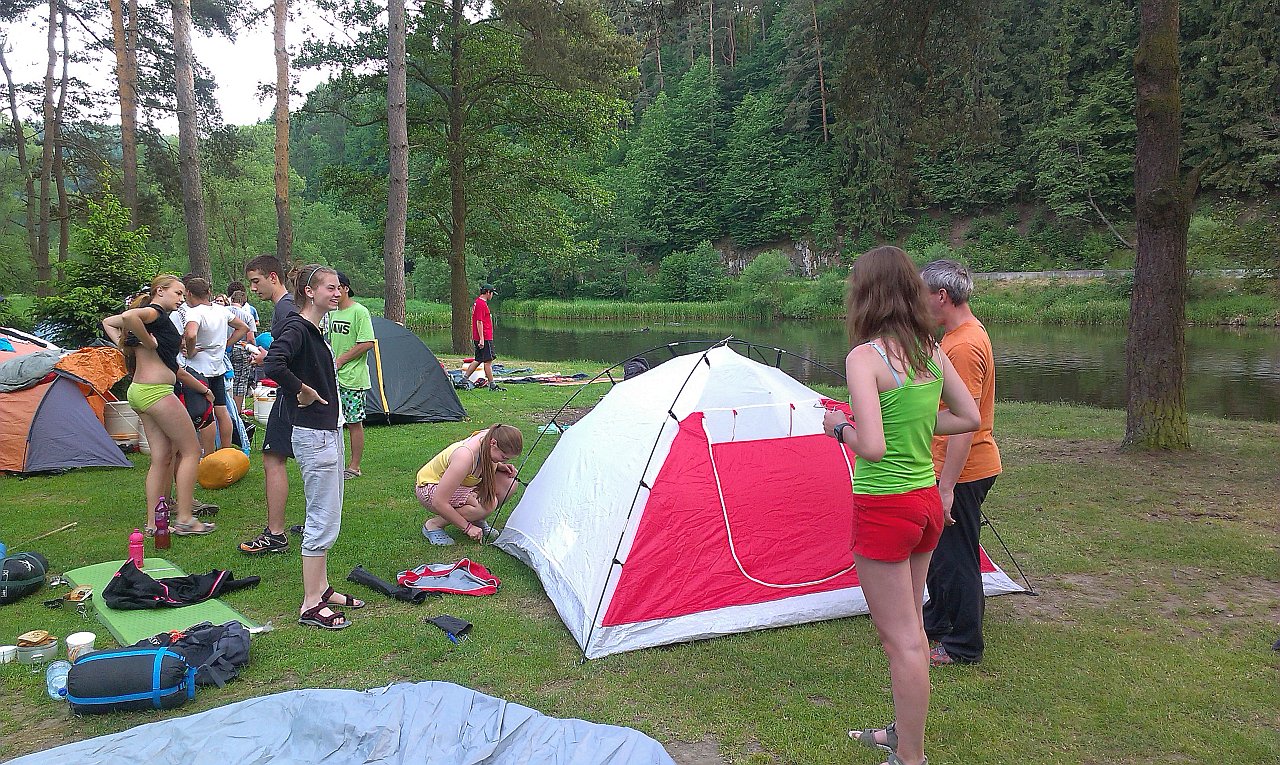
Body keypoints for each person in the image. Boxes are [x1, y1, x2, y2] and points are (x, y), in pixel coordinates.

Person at [820, 246, 979, 765]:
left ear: (866, 295)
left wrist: (838, 427)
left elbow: (871, 446)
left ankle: (911, 757)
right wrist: (918, 421)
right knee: (912, 629)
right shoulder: (930, 351)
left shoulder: (865, 358)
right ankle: (902, 734)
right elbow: (969, 417)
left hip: (885, 510)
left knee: (902, 641)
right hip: (925, 503)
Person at [264, 264, 364, 629]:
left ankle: (322, 588)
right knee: (321, 516)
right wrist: (302, 389)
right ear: (309, 291)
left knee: (330, 513)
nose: (338, 294)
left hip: (328, 430)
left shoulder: (314, 328)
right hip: (314, 434)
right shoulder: (297, 327)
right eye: (331, 288)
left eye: (339, 288)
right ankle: (310, 603)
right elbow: (274, 363)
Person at [919, 260, 1001, 667]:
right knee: (939, 552)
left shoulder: (963, 346)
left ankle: (964, 644)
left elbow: (965, 424)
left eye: (922, 296)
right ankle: (937, 618)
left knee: (957, 557)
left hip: (964, 469)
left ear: (941, 297)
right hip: (955, 466)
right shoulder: (958, 335)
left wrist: (947, 487)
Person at [102, 275, 217, 537]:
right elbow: (128, 316)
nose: (181, 299)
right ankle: (185, 519)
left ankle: (154, 523)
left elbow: (109, 322)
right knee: (191, 450)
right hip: (156, 392)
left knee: (162, 457)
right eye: (177, 293)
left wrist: (128, 342)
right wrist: (148, 341)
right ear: (160, 291)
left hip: (140, 391)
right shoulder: (155, 313)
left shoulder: (149, 320)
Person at [240, 254, 298, 555]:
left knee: (273, 459)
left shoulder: (285, 308)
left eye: (256, 281)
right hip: (296, 394)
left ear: (273, 277)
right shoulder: (288, 307)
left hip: (292, 396)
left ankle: (275, 534)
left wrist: (268, 359)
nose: (253, 288)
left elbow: (296, 354)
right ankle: (313, 524)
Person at [416, 424, 523, 545]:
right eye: (503, 457)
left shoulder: (493, 435)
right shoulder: (465, 457)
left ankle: (476, 519)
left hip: (460, 483)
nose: (505, 461)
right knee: (486, 504)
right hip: (430, 487)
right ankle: (433, 525)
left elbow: (486, 458)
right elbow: (439, 501)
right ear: (493, 443)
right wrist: (467, 528)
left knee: (509, 483)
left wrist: (500, 465)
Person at [182, 278, 249, 455]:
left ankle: (209, 454)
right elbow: (243, 327)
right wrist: (226, 344)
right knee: (221, 409)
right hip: (218, 368)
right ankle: (225, 451)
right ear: (208, 292)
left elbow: (191, 334)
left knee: (205, 414)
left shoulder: (194, 312)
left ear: (189, 293)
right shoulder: (221, 310)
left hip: (198, 370)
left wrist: (190, 351)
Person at [326, 272, 375, 478]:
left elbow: (367, 343)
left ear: (345, 288)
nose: (334, 293)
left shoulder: (359, 312)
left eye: (337, 288)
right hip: (333, 377)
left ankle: (354, 467)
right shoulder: (331, 313)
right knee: (332, 421)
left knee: (354, 422)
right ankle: (334, 462)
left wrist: (341, 360)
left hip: (353, 378)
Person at [459, 284, 504, 391]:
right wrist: (482, 339)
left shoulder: (478, 302)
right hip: (484, 337)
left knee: (478, 359)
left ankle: (464, 380)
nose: (492, 295)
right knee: (488, 361)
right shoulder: (481, 304)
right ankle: (492, 385)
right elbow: (479, 322)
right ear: (487, 292)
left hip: (481, 336)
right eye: (492, 293)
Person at [227, 289, 259, 414]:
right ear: (244, 302)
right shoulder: (248, 316)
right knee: (240, 381)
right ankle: (237, 412)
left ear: (231, 299)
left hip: (223, 349)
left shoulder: (222, 311)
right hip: (241, 348)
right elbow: (250, 338)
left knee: (226, 381)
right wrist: (254, 349)